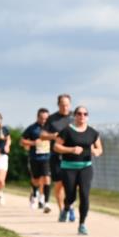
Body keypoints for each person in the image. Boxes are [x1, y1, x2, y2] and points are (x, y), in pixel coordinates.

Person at [54, 105, 102, 235]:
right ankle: (66, 207)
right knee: (70, 196)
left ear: (87, 116)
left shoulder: (92, 132)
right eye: (79, 114)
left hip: (85, 167)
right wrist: (71, 149)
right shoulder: (67, 131)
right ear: (75, 115)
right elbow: (56, 146)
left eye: (85, 114)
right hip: (68, 167)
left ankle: (82, 224)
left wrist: (95, 151)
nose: (82, 116)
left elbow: (99, 149)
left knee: (84, 195)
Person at [41, 94, 73, 222]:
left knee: (71, 184)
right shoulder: (52, 119)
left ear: (70, 104)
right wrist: (53, 136)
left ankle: (69, 205)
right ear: (58, 104)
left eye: (67, 104)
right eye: (62, 104)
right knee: (59, 184)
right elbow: (42, 135)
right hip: (56, 155)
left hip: (72, 156)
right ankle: (62, 210)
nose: (65, 107)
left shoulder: (75, 117)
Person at [20, 108, 53, 213]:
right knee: (36, 180)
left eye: (46, 118)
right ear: (37, 117)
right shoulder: (32, 128)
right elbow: (22, 141)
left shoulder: (51, 128)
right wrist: (33, 143)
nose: (44, 120)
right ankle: (35, 194)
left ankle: (46, 202)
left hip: (47, 157)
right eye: (42, 118)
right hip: (35, 157)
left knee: (47, 179)